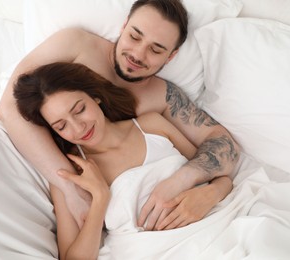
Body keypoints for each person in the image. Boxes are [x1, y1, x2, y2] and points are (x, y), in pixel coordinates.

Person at [0, 0, 240, 231]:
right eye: (134, 36)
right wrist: (70, 189)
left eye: (156, 50)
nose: (137, 54)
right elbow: (8, 109)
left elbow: (222, 141)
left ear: (171, 56)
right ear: (123, 27)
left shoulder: (162, 96)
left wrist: (188, 182)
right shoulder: (75, 45)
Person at [13, 62, 233, 260]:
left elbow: (219, 174)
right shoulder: (68, 174)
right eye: (61, 126)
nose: (78, 127)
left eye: (79, 109)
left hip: (220, 226)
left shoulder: (152, 125)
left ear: (95, 96)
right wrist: (100, 198)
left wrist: (209, 194)